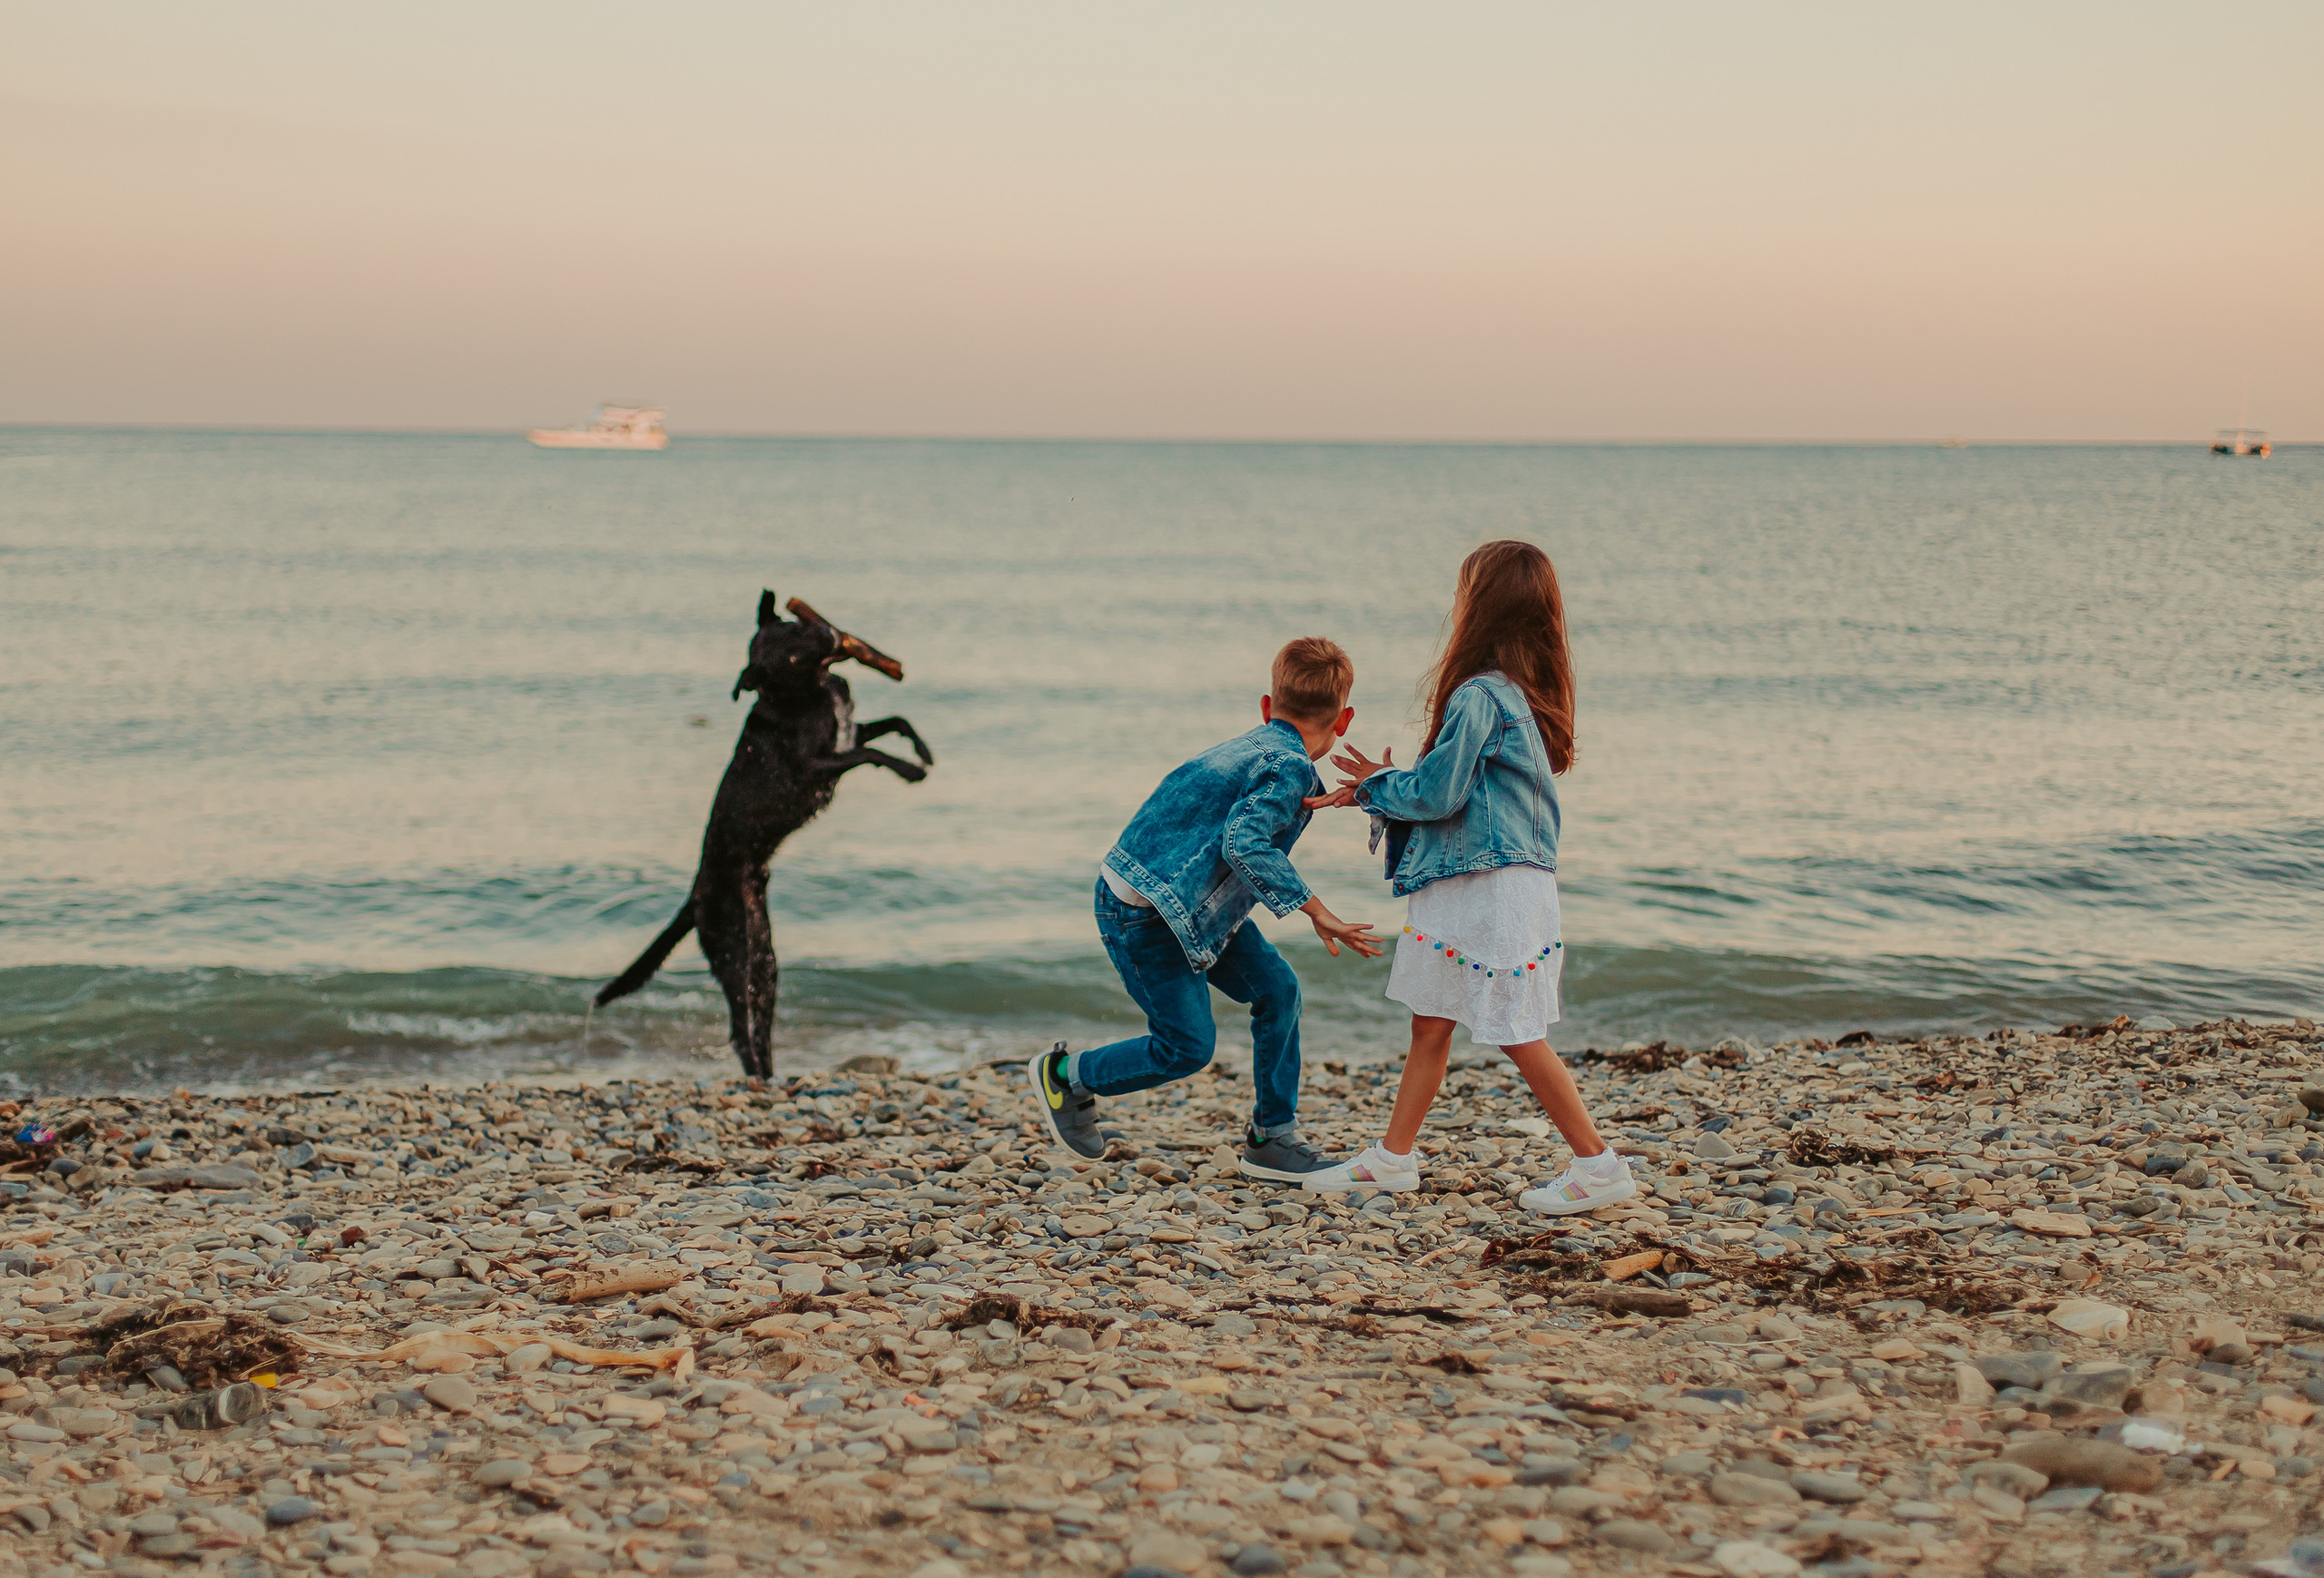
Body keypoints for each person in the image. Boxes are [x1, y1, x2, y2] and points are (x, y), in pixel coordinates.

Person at [1298, 541, 1636, 1215]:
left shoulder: (1481, 695)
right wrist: (1384, 784)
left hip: (1490, 887)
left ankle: (1598, 1165)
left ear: (1482, 608)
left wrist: (1376, 790)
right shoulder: (1522, 694)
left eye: (1464, 590)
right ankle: (1393, 1160)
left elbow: (1438, 795)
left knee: (1514, 1027)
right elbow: (1448, 789)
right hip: (1491, 883)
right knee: (1432, 1022)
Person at [1029, 636, 1383, 1180]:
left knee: (1278, 989)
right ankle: (1066, 1075)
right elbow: (1244, 844)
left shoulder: (1250, 747)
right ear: (1346, 719)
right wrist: (1317, 911)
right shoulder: (1286, 767)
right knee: (1187, 1046)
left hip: (1179, 903)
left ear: (1267, 706)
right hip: (1148, 915)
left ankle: (1272, 1137)